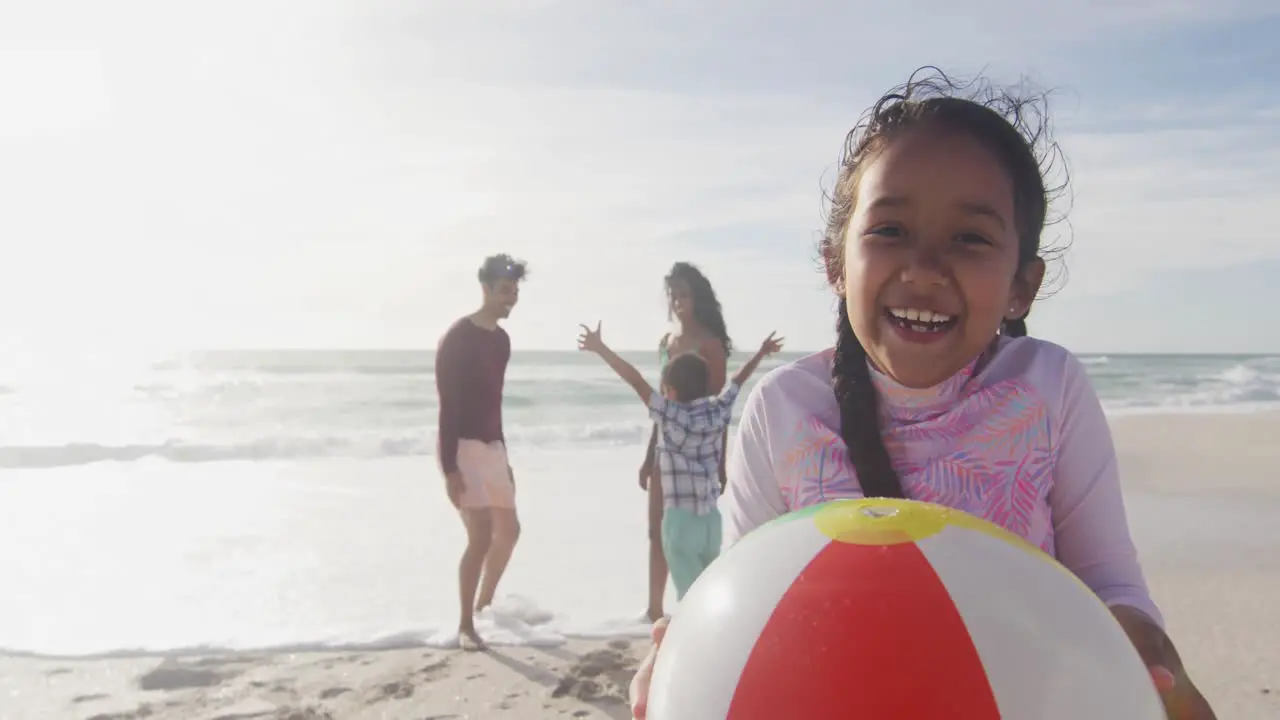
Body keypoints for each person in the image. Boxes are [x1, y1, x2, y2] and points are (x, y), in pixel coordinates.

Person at [628, 68, 1216, 719]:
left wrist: (1148, 656)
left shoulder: (1048, 390)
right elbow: (742, 596)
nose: (924, 269)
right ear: (834, 264)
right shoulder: (782, 413)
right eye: (890, 231)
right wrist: (681, 651)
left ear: (1022, 285)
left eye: (970, 238)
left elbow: (1110, 586)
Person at [579, 321, 783, 598]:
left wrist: (601, 349)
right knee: (708, 592)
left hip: (680, 523)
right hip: (711, 523)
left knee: (690, 601)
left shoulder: (670, 414)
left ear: (671, 390)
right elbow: (737, 381)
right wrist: (761, 353)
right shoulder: (718, 409)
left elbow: (635, 380)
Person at [435, 253, 528, 651]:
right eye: (505, 290)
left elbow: (496, 401)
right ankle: (465, 625)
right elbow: (448, 405)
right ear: (485, 289)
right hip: (463, 448)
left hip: (492, 448)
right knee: (481, 536)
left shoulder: (501, 341)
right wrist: (449, 468)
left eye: (515, 291)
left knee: (510, 531)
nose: (511, 298)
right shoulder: (458, 336)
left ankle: (485, 606)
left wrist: (504, 458)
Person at [638, 262, 732, 621]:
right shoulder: (667, 343)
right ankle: (654, 610)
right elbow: (662, 406)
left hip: (698, 458)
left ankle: (696, 607)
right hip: (666, 451)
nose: (678, 302)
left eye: (684, 295)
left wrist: (721, 464)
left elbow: (718, 409)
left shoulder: (711, 345)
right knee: (656, 529)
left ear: (697, 298)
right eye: (673, 295)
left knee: (691, 533)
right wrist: (649, 457)